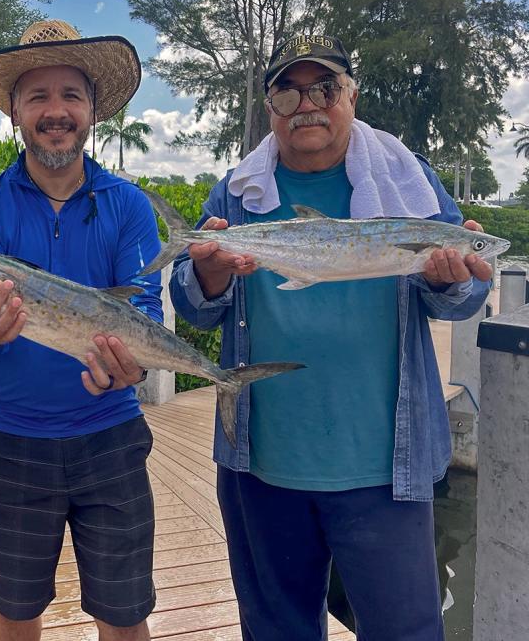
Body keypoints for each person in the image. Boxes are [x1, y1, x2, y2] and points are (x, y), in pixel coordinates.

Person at [169, 34, 493, 641]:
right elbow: (195, 307)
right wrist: (208, 275)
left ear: (351, 95)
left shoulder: (408, 181)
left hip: (383, 468)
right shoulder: (239, 192)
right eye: (287, 92)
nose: (307, 104)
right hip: (260, 464)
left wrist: (455, 279)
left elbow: (467, 294)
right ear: (270, 107)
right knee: (275, 632)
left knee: (407, 631)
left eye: (324, 87)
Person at [0, 19, 163, 640]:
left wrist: (137, 360)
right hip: (13, 443)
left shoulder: (129, 205)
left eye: (71, 95)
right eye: (38, 95)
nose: (56, 111)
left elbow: (143, 311)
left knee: (125, 615)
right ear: (15, 109)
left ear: (92, 109)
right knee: (15, 611)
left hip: (112, 438)